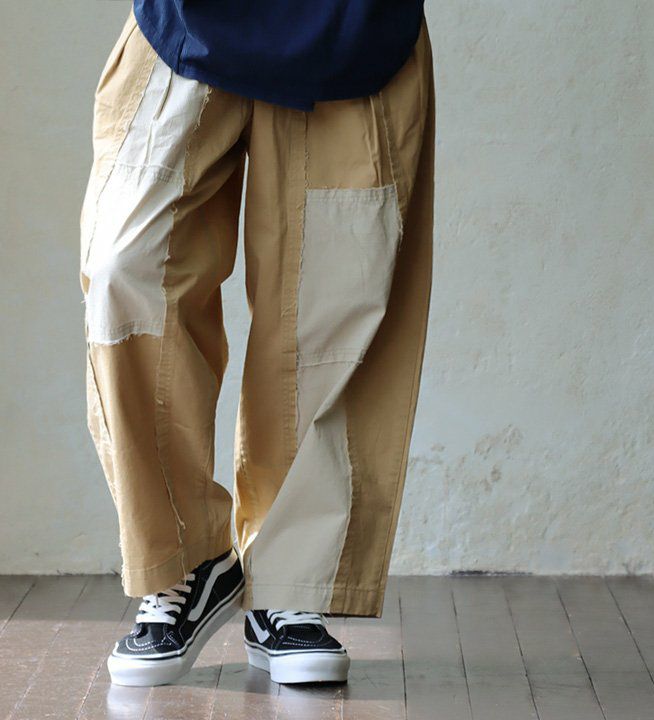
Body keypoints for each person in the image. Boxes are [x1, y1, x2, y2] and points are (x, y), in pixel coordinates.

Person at [80, 0, 434, 687]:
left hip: (351, 30)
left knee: (336, 296)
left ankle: (289, 580)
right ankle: (185, 560)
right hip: (186, 22)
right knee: (126, 270)